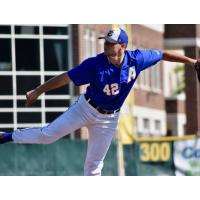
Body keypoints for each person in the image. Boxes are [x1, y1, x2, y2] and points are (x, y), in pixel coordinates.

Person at [0, 28, 198, 176]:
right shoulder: (95, 64)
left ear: (123, 46)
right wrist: (38, 91)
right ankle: (6, 136)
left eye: (111, 43)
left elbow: (163, 55)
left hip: (109, 119)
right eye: (106, 42)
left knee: (94, 167)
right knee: (47, 135)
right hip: (85, 109)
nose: (106, 45)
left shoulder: (137, 59)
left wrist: (192, 62)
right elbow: (65, 78)